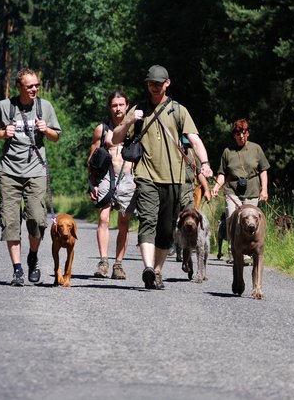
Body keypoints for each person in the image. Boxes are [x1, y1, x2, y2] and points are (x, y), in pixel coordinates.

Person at [112, 65, 213, 289]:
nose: (154, 87)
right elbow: (115, 139)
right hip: (146, 176)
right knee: (148, 221)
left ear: (167, 83)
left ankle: (157, 271)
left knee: (167, 230)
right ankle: (148, 267)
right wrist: (129, 121)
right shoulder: (138, 109)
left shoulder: (178, 110)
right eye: (151, 84)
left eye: (158, 83)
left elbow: (194, 139)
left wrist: (204, 163)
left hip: (175, 181)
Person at [0, 68, 61, 286]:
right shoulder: (4, 106)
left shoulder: (44, 107)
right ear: (19, 87)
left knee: (37, 218)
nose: (35, 89)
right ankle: (17, 269)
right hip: (9, 172)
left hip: (36, 170)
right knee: (10, 221)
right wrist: (1, 133)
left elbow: (56, 137)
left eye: (37, 85)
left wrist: (46, 130)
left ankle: (33, 257)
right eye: (30, 86)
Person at [87, 91, 134, 279]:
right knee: (104, 218)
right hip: (107, 177)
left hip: (129, 177)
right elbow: (92, 159)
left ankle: (118, 265)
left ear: (127, 106)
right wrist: (92, 184)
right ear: (110, 107)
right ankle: (103, 262)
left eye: (121, 104)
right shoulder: (102, 129)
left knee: (124, 222)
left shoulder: (134, 128)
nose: (118, 108)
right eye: (114, 105)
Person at [210, 118, 270, 263]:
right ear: (234, 135)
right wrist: (216, 187)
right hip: (232, 192)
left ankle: (248, 252)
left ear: (247, 133)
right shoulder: (227, 152)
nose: (241, 136)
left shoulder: (256, 149)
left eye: (243, 133)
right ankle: (234, 252)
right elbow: (222, 173)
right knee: (232, 219)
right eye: (238, 133)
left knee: (250, 221)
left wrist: (264, 190)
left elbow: (263, 171)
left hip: (252, 192)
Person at [172, 136, 211, 261]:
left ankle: (186, 254)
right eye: (184, 145)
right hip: (173, 193)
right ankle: (176, 246)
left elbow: (199, 173)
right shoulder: (172, 153)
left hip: (188, 194)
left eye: (187, 145)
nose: (185, 148)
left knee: (188, 222)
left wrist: (207, 190)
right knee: (174, 223)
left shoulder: (193, 155)